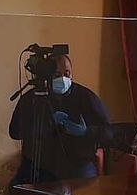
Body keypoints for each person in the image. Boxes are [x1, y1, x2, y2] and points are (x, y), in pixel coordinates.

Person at [9, 53, 111, 183]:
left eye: (67, 73)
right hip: (39, 166)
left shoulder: (85, 97)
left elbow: (109, 133)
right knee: (16, 189)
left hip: (77, 167)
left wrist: (86, 131)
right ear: (47, 75)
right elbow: (15, 132)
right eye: (57, 74)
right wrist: (47, 124)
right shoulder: (32, 98)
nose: (63, 78)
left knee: (84, 190)